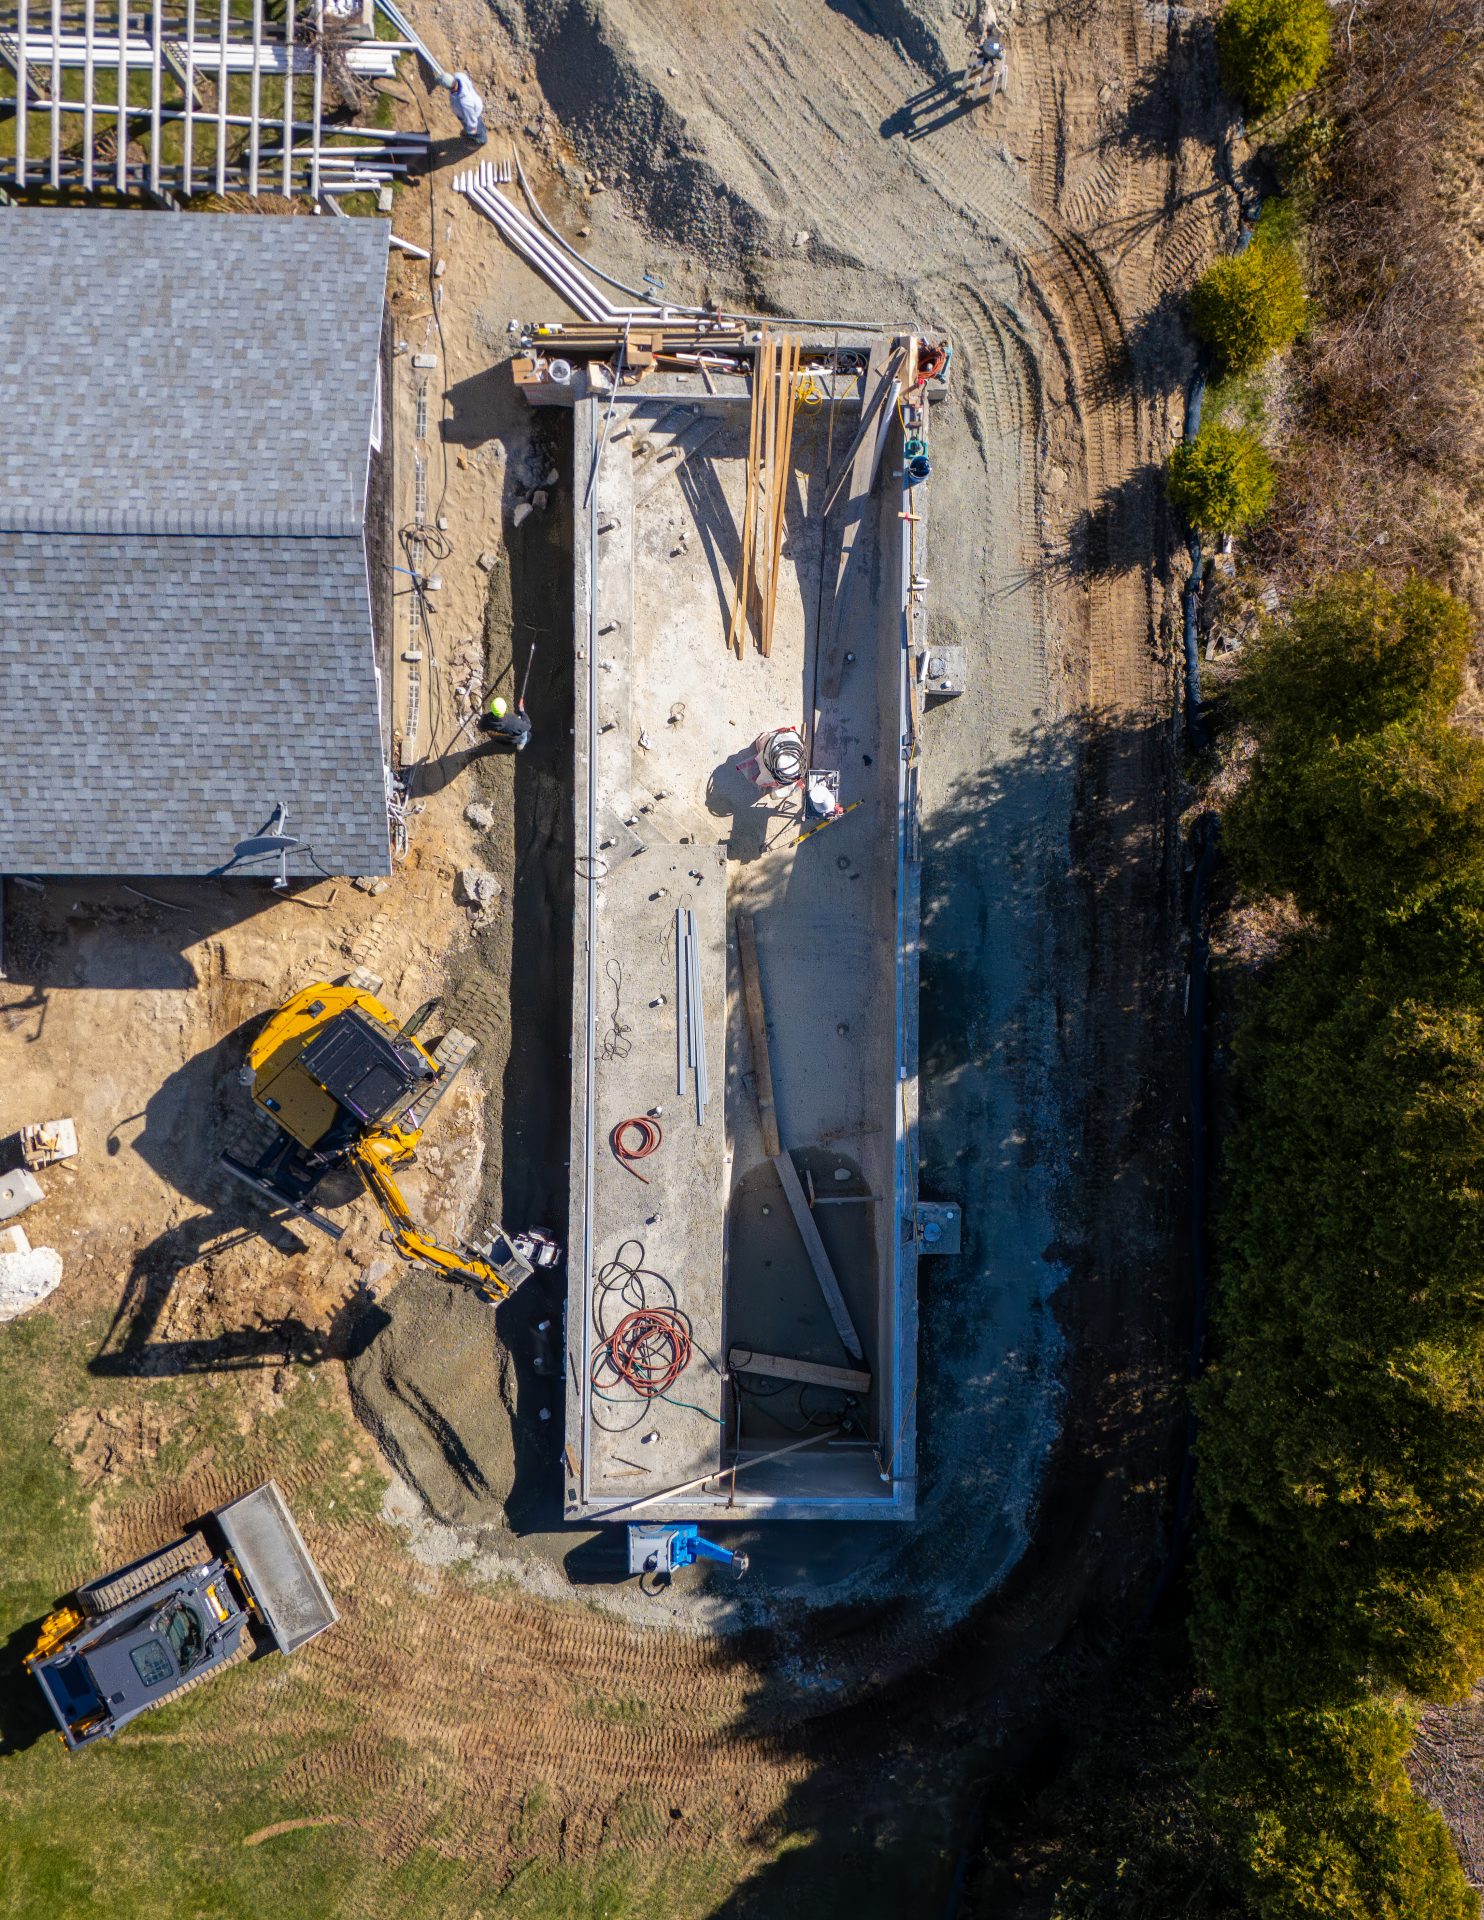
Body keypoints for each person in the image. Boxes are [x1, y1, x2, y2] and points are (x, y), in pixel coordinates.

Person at [441, 70, 488, 144]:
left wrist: (468, 131)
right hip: (475, 105)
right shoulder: (459, 76)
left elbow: (472, 124)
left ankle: (481, 140)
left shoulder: (465, 104)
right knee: (479, 125)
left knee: (476, 129)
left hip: (472, 114)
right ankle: (482, 130)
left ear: (448, 88)